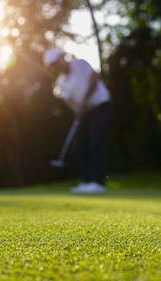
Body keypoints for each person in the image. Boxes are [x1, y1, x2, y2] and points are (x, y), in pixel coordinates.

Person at [43, 48, 112, 194]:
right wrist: (77, 108)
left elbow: (94, 78)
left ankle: (99, 183)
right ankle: (86, 182)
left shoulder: (80, 64)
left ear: (62, 57)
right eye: (52, 65)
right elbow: (68, 100)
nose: (56, 66)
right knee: (79, 146)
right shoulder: (60, 82)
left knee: (96, 141)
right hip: (85, 111)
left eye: (57, 61)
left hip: (100, 104)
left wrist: (85, 100)